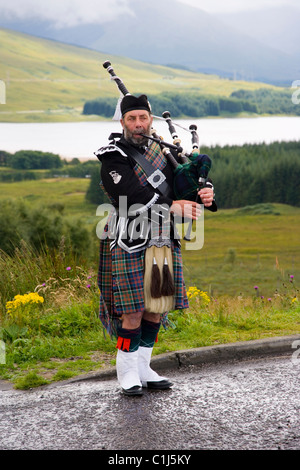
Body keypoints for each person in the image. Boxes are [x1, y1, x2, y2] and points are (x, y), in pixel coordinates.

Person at [95, 94, 215, 396]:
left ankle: (144, 368)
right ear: (122, 122)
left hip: (162, 237)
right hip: (128, 238)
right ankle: (126, 372)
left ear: (151, 120)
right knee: (132, 310)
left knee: (156, 308)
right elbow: (130, 195)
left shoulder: (164, 151)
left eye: (143, 118)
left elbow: (184, 183)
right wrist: (174, 206)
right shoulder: (112, 155)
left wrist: (206, 192)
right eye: (132, 119)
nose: (138, 124)